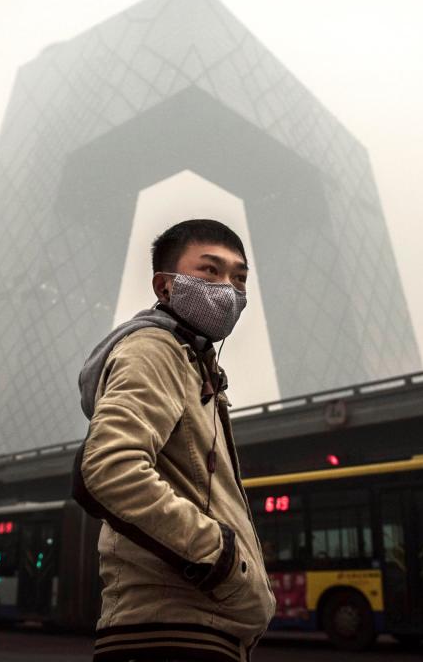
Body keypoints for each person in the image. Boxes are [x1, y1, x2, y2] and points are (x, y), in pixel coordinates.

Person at [72, 219, 276, 662]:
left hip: (195, 629)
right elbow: (108, 470)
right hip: (171, 633)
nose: (229, 288)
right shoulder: (154, 350)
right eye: (210, 271)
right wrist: (222, 560)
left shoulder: (193, 364)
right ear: (165, 287)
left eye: (239, 277)